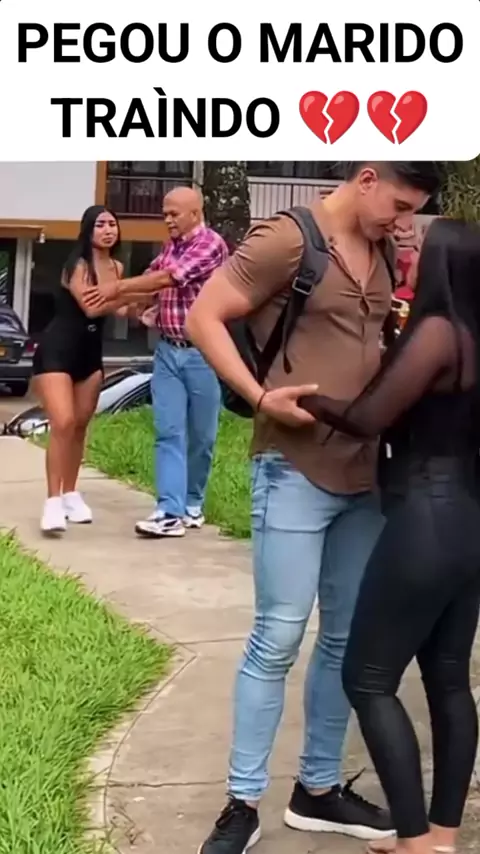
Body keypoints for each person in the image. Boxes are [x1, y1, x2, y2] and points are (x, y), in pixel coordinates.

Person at [184, 161, 442, 854]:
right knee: (278, 636)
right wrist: (260, 396)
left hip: (366, 474)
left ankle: (318, 789)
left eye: (413, 211)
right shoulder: (288, 238)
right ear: (367, 177)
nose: (403, 221)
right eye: (399, 204)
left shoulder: (382, 246)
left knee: (344, 640)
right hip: (294, 468)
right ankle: (242, 803)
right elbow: (206, 315)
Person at [299, 217, 480, 854]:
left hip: (426, 518)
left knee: (368, 679)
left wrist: (305, 400)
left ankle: (413, 841)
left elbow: (369, 417)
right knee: (449, 679)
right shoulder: (473, 333)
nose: (408, 251)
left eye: (419, 248)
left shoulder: (439, 332)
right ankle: (441, 836)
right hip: (468, 520)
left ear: (442, 266)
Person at [82, 187, 229, 538]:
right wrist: (126, 301)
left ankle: (193, 503)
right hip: (167, 351)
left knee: (202, 437)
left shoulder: (210, 244)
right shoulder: (170, 247)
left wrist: (117, 289)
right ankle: (169, 511)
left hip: (203, 354)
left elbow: (169, 278)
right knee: (168, 431)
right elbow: (152, 280)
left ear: (195, 213)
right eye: (165, 214)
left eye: (174, 214)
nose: (167, 220)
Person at [32, 205, 131, 535]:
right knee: (62, 422)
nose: (108, 230)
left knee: (79, 426)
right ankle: (52, 502)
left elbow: (120, 310)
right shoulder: (77, 265)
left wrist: (144, 302)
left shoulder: (117, 267)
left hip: (90, 355)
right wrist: (129, 292)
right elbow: (91, 307)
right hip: (58, 351)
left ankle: (71, 494)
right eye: (101, 224)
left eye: (112, 224)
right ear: (88, 230)